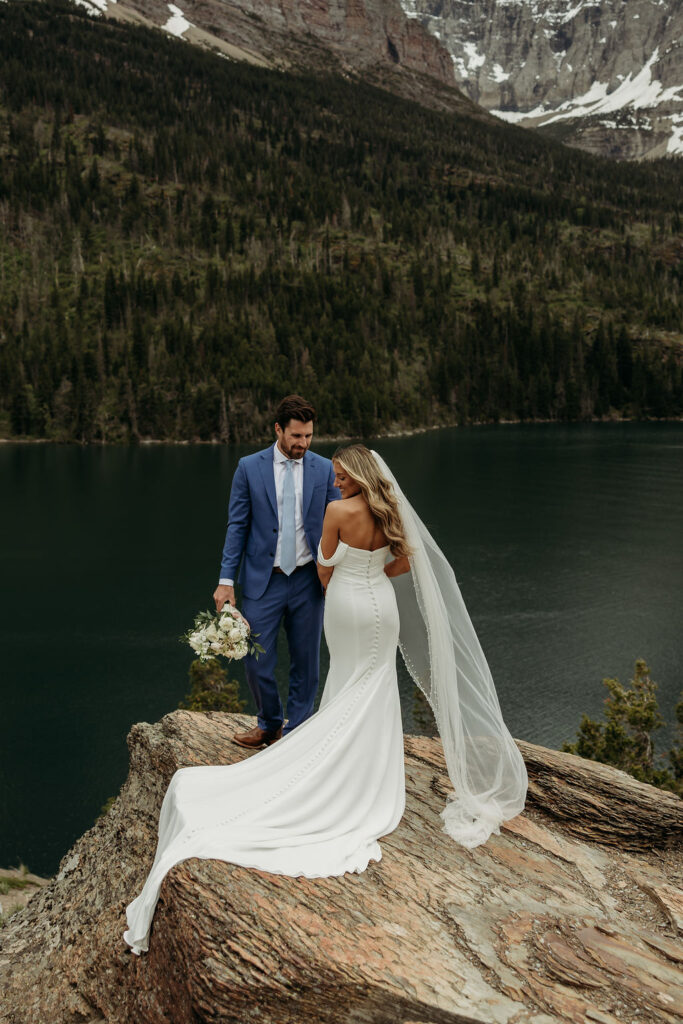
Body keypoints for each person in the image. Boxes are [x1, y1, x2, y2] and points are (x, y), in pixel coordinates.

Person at [123, 445, 527, 955]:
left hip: (347, 606)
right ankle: (365, 772)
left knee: (349, 680)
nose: (334, 483)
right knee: (375, 685)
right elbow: (404, 563)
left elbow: (323, 567)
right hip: (382, 602)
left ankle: (332, 765)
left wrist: (346, 574)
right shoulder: (391, 511)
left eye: (340, 475)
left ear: (357, 474)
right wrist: (375, 569)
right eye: (333, 476)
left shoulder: (338, 513)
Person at [213, 394, 339, 749]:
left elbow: (337, 520)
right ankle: (269, 723)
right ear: (278, 429)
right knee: (255, 660)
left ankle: (298, 733)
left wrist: (336, 571)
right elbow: (237, 525)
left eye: (309, 436)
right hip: (262, 580)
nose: (303, 444)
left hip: (306, 579)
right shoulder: (248, 467)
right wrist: (226, 580)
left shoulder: (324, 468)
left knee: (306, 662)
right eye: (296, 436)